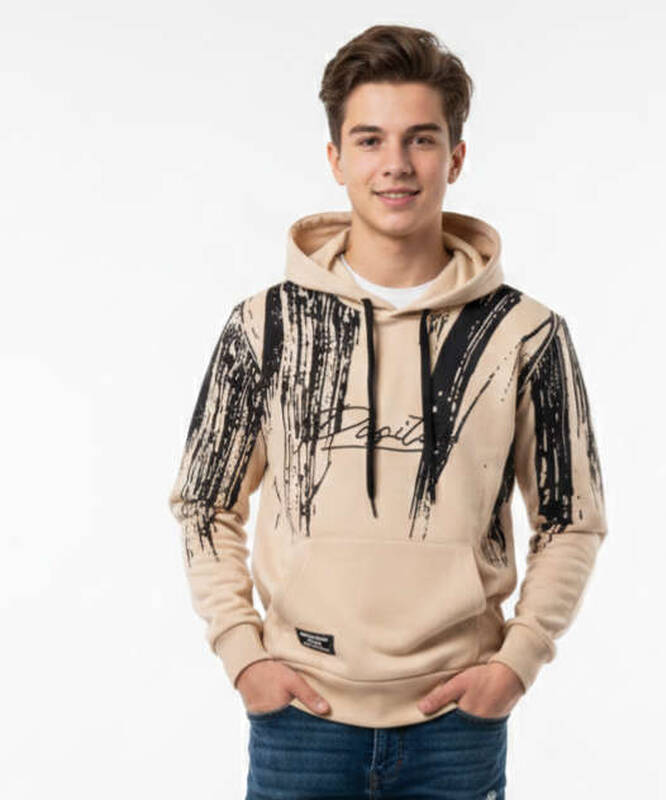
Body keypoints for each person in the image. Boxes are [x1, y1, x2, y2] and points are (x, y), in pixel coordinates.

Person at [168, 23, 608, 800]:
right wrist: (243, 654)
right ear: (336, 159)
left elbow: (571, 518)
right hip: (300, 718)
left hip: (456, 723)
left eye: (421, 139)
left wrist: (516, 662)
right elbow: (205, 504)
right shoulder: (266, 327)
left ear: (456, 157)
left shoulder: (525, 334)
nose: (396, 164)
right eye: (370, 140)